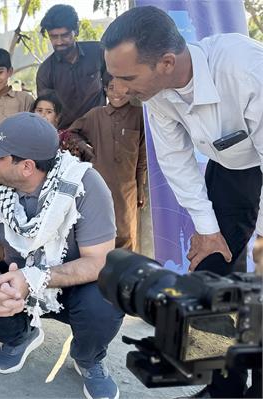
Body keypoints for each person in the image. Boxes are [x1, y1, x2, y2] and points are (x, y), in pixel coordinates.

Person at [102, 6, 263, 398]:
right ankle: (222, 385)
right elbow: (174, 160)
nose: (118, 89)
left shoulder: (246, 69)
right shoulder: (156, 91)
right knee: (212, 273)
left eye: (126, 77)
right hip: (232, 168)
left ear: (167, 62)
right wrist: (208, 231)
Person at [0, 112, 124, 399]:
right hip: (18, 279)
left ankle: (88, 358)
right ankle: (21, 335)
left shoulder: (85, 185)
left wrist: (35, 278)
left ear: (27, 166)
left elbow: (99, 261)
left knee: (109, 295)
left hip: (72, 284)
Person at [68, 72, 146, 250]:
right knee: (99, 235)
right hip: (99, 186)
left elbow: (142, 157)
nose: (117, 93)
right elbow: (72, 132)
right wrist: (84, 147)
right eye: (112, 88)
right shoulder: (96, 115)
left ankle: (125, 274)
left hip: (127, 190)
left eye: (124, 88)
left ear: (132, 91)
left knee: (126, 235)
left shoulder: (139, 115)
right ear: (105, 90)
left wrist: (141, 188)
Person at [36, 4, 107, 129]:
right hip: (67, 137)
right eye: (53, 36)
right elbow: (46, 113)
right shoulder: (45, 71)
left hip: (100, 129)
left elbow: (115, 88)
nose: (59, 42)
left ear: (76, 30)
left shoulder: (97, 52)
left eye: (65, 35)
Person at [31, 92, 95, 162]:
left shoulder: (66, 140)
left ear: (57, 117)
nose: (42, 115)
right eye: (39, 110)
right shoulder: (27, 137)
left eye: (49, 112)